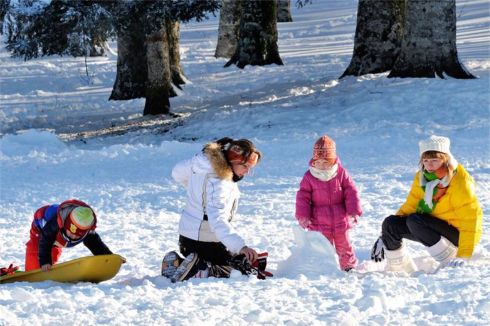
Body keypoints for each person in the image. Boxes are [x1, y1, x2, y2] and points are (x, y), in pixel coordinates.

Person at [371, 135, 483, 273]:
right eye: (425, 160)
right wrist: (385, 234)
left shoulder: (459, 181)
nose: (429, 165)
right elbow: (411, 204)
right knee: (391, 223)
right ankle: (398, 270)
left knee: (414, 220)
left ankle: (449, 261)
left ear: (445, 159)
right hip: (432, 226)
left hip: (459, 234)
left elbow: (471, 220)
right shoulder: (422, 177)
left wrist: (464, 254)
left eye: (434, 160)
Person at [163, 137, 265, 282]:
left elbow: (177, 172)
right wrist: (241, 247)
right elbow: (217, 220)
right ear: (232, 161)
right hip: (205, 242)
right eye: (245, 166)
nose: (247, 172)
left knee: (237, 259)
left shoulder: (200, 163)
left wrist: (196, 190)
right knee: (241, 271)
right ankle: (200, 269)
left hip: (186, 238)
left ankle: (181, 264)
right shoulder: (219, 182)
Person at [295, 135, 362, 271]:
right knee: (321, 246)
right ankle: (322, 267)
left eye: (325, 163)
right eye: (318, 162)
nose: (321, 166)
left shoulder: (341, 173)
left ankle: (348, 266)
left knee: (344, 245)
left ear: (332, 161)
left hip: (340, 220)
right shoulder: (309, 176)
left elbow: (351, 192)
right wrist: (303, 216)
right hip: (318, 221)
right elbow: (303, 197)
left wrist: (353, 211)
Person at [25, 199, 114, 272]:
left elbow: (96, 245)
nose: (73, 237)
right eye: (71, 232)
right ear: (65, 225)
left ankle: (48, 264)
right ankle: (31, 271)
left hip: (57, 240)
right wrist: (45, 262)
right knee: (37, 257)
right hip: (40, 232)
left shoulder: (87, 232)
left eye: (77, 236)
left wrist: (111, 259)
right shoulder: (54, 224)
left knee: (52, 257)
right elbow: (45, 240)